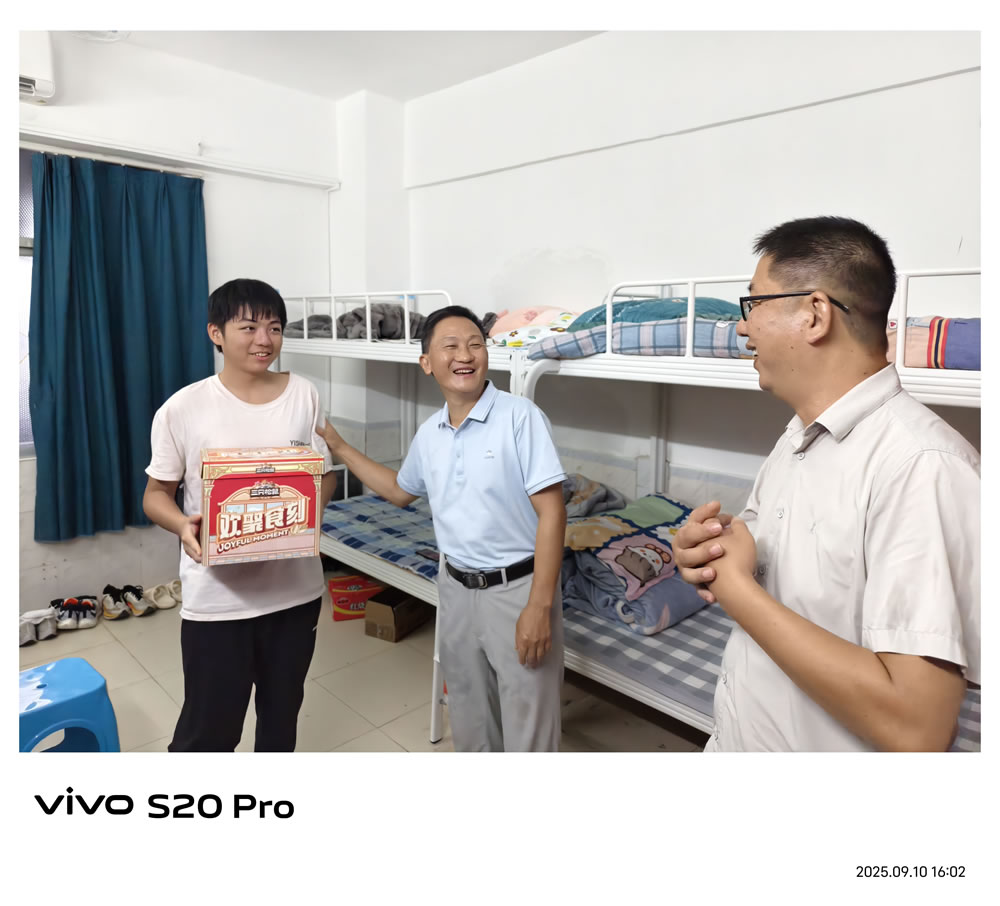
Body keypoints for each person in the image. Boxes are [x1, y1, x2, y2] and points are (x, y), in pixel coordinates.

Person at [673, 216, 980, 752]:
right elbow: (773, 569)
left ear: (815, 314)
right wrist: (711, 550)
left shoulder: (922, 467)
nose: (742, 328)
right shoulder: (798, 435)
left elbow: (917, 728)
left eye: (754, 304)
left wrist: (736, 589)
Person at [317, 305, 567, 752]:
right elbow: (400, 490)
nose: (464, 355)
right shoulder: (430, 432)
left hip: (516, 591)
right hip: (454, 590)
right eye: (450, 346)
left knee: (529, 729)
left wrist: (539, 606)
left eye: (474, 345)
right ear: (427, 362)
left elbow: (553, 513)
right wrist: (340, 446)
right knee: (469, 719)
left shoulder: (520, 417)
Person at [143, 278, 337, 752]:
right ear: (216, 333)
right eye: (248, 327)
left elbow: (325, 475)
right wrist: (182, 525)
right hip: (217, 600)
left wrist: (303, 515)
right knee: (208, 730)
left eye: (274, 328)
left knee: (281, 719)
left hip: (295, 594)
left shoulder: (304, 395)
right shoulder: (183, 408)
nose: (264, 340)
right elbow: (155, 495)